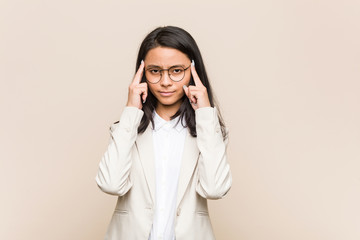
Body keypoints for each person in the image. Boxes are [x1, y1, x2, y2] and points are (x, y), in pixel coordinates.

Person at [95, 26, 232, 240]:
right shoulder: (128, 129)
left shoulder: (208, 132)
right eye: (155, 71)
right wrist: (131, 112)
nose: (165, 81)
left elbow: (215, 189)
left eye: (177, 70)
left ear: (193, 71)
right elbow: (110, 184)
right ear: (142, 72)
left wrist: (205, 115)